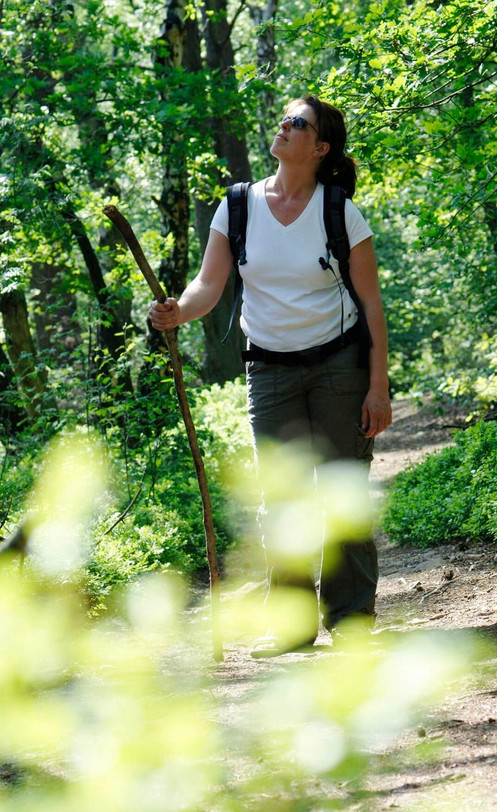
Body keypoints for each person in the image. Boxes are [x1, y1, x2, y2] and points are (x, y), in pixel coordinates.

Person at [149, 95, 392, 654]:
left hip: (338, 366)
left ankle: (352, 621)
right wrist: (178, 311)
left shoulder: (339, 211)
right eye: (284, 118)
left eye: (297, 123)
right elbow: (209, 286)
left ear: (320, 147)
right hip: (269, 371)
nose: (284, 126)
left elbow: (372, 305)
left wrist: (378, 388)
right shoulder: (237, 206)